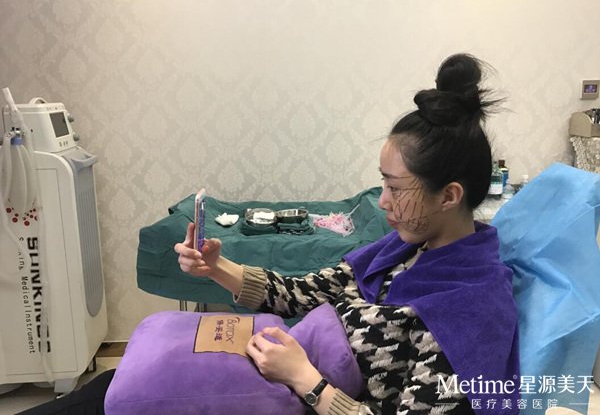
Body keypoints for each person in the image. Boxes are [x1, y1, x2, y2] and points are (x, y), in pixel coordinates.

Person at [18, 53, 519, 415]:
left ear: (449, 195)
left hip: (298, 391)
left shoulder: (472, 310)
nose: (382, 201)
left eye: (394, 187)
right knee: (115, 382)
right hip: (280, 370)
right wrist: (217, 267)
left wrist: (307, 381)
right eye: (382, 184)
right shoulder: (405, 249)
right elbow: (303, 292)